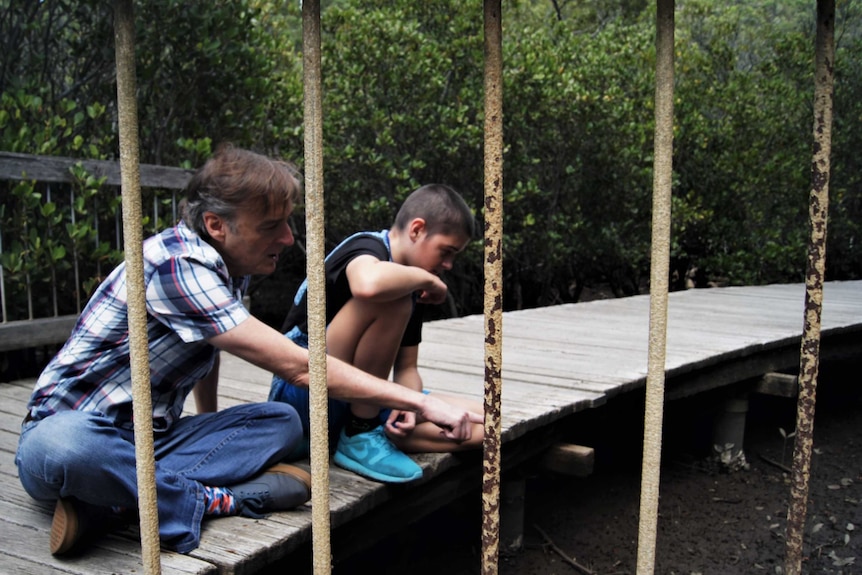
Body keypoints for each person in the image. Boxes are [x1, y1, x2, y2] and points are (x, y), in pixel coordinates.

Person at [15, 146, 482, 557]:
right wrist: (419, 401)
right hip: (66, 435)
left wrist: (211, 422)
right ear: (217, 225)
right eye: (272, 226)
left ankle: (112, 503)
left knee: (279, 423)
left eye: (287, 223)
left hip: (153, 442)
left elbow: (208, 349)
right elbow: (296, 365)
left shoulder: (225, 269)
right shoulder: (177, 265)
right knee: (69, 448)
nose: (289, 238)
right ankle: (217, 500)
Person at [270, 184, 484, 484]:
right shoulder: (367, 248)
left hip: (359, 396)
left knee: (483, 423)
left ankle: (371, 435)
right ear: (417, 229)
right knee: (391, 299)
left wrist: (406, 406)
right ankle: (360, 433)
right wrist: (429, 280)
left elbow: (407, 367)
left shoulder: (410, 282)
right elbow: (367, 285)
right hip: (305, 389)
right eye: (446, 252)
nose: (447, 265)